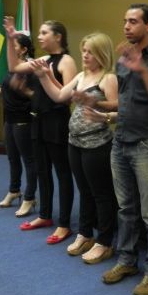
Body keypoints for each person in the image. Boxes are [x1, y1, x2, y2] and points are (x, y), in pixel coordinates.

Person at [99, 3, 148, 295]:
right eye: (125, 21)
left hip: (146, 144)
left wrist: (141, 67)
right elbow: (123, 102)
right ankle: (127, 261)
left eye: (133, 21)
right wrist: (96, 104)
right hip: (120, 142)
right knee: (126, 209)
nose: (126, 26)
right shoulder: (123, 60)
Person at [31, 32, 118, 264]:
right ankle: (85, 234)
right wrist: (43, 76)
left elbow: (118, 107)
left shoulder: (108, 78)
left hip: (97, 144)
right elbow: (59, 95)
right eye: (84, 51)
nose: (85, 55)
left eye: (90, 52)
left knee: (101, 194)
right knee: (84, 191)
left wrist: (96, 104)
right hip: (75, 143)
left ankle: (104, 242)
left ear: (101, 53)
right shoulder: (81, 76)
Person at [6, 17, 77, 245]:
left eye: (44, 33)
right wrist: (10, 39)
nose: (39, 37)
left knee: (62, 173)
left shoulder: (66, 61)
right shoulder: (42, 60)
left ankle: (64, 224)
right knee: (42, 171)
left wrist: (47, 76)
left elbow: (67, 97)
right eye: (39, 33)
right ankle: (45, 215)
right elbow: (14, 67)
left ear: (58, 36)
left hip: (56, 122)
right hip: (37, 121)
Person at [0, 33, 37, 217]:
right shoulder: (12, 68)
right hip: (9, 121)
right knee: (12, 158)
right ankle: (14, 190)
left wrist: (25, 91)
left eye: (14, 45)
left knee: (29, 161)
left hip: (23, 120)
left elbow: (36, 95)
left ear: (24, 49)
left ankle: (29, 198)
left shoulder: (30, 68)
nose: (10, 49)